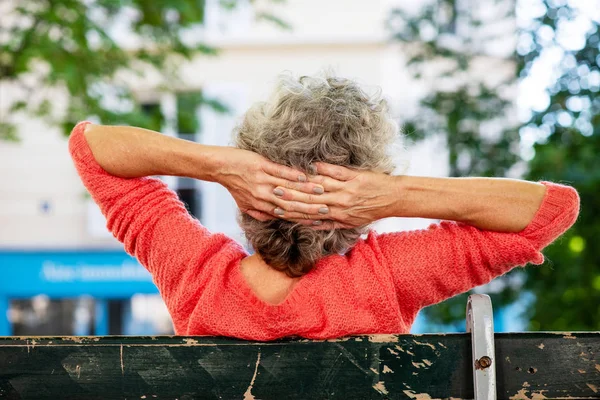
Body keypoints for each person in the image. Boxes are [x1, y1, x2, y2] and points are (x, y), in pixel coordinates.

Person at [69, 75, 579, 341]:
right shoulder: (386, 278)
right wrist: (394, 194)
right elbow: (551, 209)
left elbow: (91, 149)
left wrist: (218, 166)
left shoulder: (194, 275)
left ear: (250, 194)